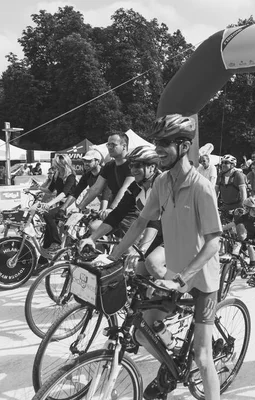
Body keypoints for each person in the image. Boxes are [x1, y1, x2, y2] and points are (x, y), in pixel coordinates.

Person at [89, 114, 222, 400]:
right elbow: (139, 223)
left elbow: (214, 243)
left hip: (202, 281)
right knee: (141, 331)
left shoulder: (201, 187)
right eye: (157, 142)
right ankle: (170, 369)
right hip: (174, 273)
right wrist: (112, 256)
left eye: (165, 143)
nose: (158, 148)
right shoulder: (162, 183)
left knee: (202, 355)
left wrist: (182, 279)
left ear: (184, 146)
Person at [79, 146, 165, 276]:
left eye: (137, 166)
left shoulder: (161, 184)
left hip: (173, 234)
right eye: (131, 166)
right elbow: (117, 214)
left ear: (152, 167)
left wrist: (142, 249)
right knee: (139, 276)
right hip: (155, 234)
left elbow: (155, 222)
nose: (133, 170)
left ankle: (179, 290)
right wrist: (92, 238)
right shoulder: (136, 186)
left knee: (153, 264)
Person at [76, 132, 134, 218]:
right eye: (108, 145)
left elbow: (125, 188)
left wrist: (111, 208)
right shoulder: (109, 166)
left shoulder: (133, 165)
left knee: (96, 227)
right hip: (116, 209)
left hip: (132, 210)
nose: (109, 148)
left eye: (113, 145)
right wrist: (80, 207)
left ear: (124, 146)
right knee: (93, 227)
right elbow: (95, 188)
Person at [38, 154, 77, 255]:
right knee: (48, 230)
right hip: (61, 204)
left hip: (70, 205)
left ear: (64, 165)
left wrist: (49, 204)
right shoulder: (57, 175)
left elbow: (64, 193)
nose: (56, 167)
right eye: (56, 165)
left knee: (48, 215)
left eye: (58, 165)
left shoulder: (71, 176)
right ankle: (43, 258)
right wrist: (38, 188)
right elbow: (50, 190)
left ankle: (57, 243)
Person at [222, 197, 255, 285]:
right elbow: (232, 224)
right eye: (253, 210)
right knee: (239, 246)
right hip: (249, 236)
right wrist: (220, 229)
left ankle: (252, 265)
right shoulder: (244, 217)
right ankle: (238, 266)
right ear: (247, 209)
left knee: (249, 246)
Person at [60, 149, 110, 216]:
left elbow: (106, 194)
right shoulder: (87, 175)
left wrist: (102, 211)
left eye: (89, 161)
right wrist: (62, 209)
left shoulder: (105, 173)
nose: (86, 163)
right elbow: (75, 193)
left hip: (115, 204)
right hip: (105, 205)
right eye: (84, 160)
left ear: (97, 161)